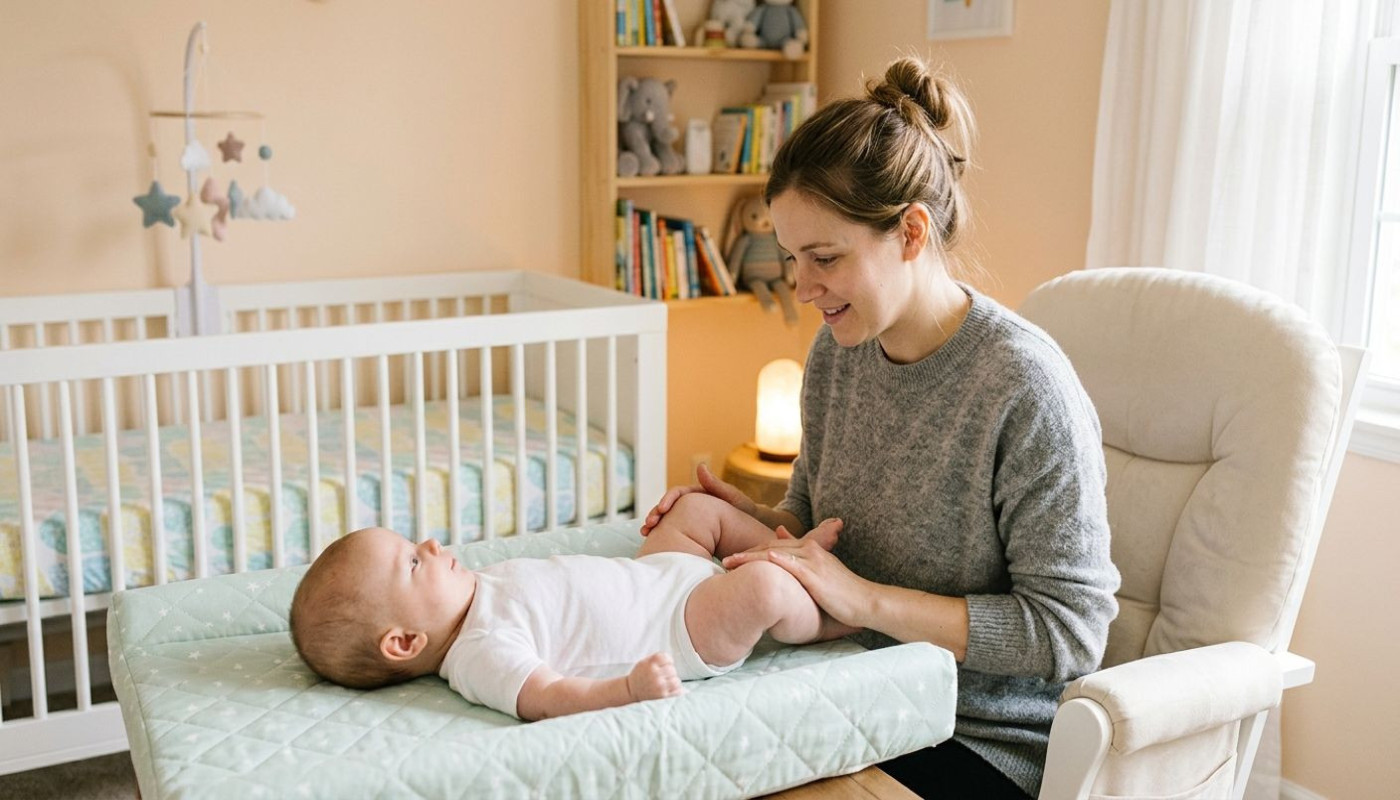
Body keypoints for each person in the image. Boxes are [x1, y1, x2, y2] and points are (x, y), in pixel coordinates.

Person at [641, 57, 1120, 799]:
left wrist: (864, 600)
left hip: (975, 737)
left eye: (825, 258)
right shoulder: (838, 353)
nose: (802, 288)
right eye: (792, 259)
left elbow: (1068, 631)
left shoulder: (1024, 387)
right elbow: (817, 521)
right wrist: (752, 520)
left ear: (911, 232)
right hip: (848, 686)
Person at [289, 493, 853, 721]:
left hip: (656, 573)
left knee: (697, 511)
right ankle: (835, 614)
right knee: (762, 591)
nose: (432, 545)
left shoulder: (473, 589)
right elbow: (548, 697)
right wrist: (628, 690)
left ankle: (790, 550)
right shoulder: (479, 653)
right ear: (405, 642)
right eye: (413, 562)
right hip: (681, 625)